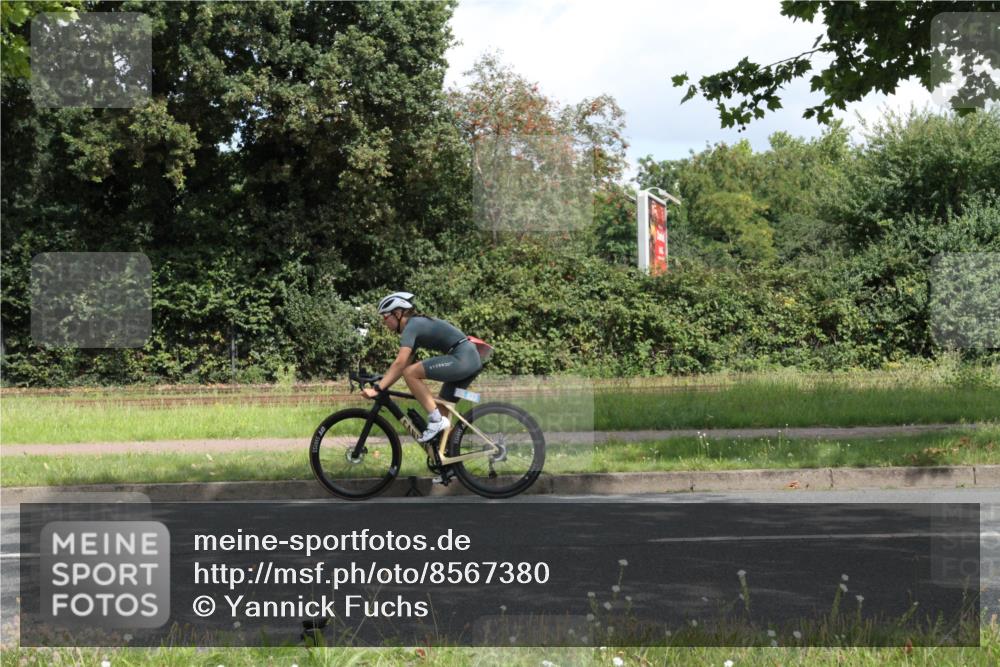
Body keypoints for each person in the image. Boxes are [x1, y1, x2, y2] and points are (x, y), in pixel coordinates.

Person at [362, 292, 483, 442]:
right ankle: (450, 458)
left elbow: (401, 364)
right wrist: (383, 381)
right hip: (467, 358)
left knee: (411, 373)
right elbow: (401, 366)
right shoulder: (416, 325)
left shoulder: (412, 326)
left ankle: (436, 420)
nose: (383, 322)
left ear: (398, 313)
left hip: (463, 358)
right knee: (442, 408)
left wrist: (377, 389)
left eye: (385, 316)